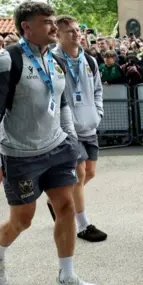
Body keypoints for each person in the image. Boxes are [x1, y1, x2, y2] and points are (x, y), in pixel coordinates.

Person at [0, 1, 99, 285]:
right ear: (26, 27)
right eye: (46, 22)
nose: (53, 26)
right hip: (20, 155)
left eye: (54, 21)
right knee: (23, 220)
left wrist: (71, 141)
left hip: (57, 148)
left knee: (66, 207)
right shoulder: (6, 60)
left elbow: (61, 105)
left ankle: (67, 278)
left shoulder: (53, 60)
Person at [51, 15, 107, 242]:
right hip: (67, 129)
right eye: (70, 31)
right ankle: (83, 225)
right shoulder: (52, 60)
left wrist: (98, 113)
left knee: (88, 173)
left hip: (89, 125)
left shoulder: (89, 61)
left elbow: (97, 90)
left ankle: (56, 199)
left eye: (77, 30)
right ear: (58, 35)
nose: (76, 34)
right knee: (80, 173)